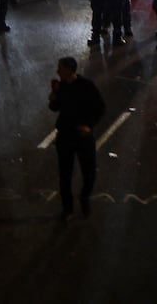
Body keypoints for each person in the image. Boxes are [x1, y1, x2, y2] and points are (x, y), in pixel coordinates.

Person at [49, 56, 106, 220]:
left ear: (68, 69)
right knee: (65, 173)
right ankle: (67, 208)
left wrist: (89, 125)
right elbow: (55, 107)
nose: (57, 71)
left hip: (82, 136)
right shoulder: (60, 86)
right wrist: (53, 98)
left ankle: (84, 197)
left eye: (60, 68)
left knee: (88, 172)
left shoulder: (86, 86)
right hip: (65, 135)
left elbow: (100, 107)